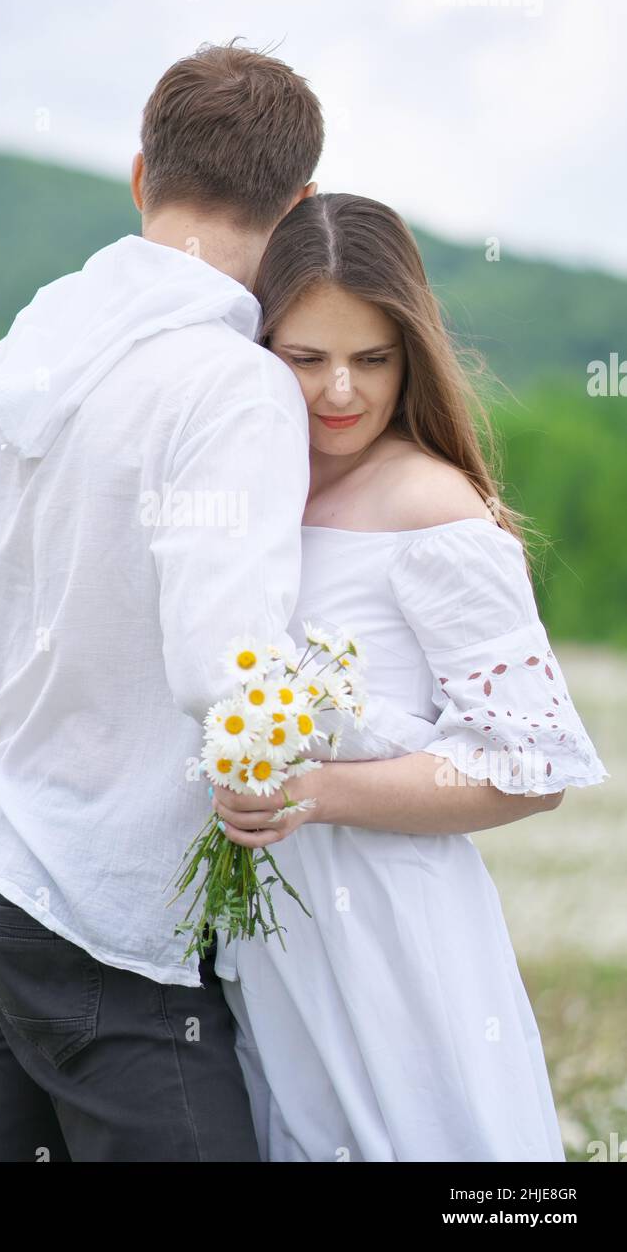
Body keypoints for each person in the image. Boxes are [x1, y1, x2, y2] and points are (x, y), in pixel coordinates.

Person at [0, 39, 324, 1161]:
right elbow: (226, 665)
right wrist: (280, 761)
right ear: (300, 202)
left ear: (139, 176)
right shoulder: (237, 385)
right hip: (107, 933)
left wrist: (1, 669)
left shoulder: (43, 338)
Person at [210, 192, 609, 1162]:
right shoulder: (259, 486)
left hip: (392, 938)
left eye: (371, 358)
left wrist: (312, 790)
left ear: (410, 351)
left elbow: (531, 764)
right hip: (270, 939)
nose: (338, 389)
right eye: (303, 357)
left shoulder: (432, 507)